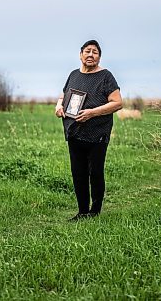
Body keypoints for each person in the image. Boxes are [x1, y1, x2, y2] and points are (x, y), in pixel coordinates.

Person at [55, 39, 123, 221]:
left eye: (95, 52)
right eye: (87, 51)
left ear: (99, 57)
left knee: (95, 172)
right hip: (74, 132)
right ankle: (82, 211)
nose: (91, 54)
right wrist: (59, 106)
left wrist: (92, 113)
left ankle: (95, 211)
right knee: (78, 173)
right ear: (80, 55)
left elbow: (118, 103)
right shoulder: (73, 74)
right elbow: (63, 94)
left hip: (97, 134)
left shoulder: (105, 76)